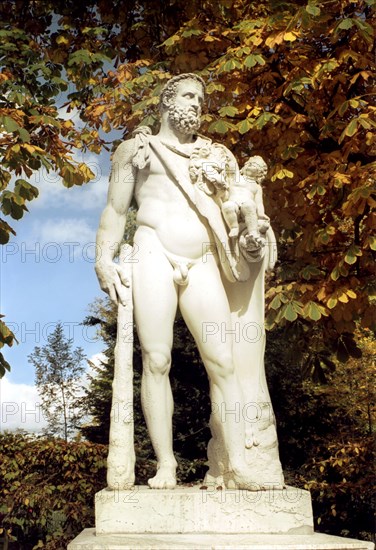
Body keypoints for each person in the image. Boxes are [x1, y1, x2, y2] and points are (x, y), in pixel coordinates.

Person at [95, 73, 279, 490]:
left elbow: (242, 206)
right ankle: (166, 465)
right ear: (167, 100)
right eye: (188, 96)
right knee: (157, 360)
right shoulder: (135, 150)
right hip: (153, 250)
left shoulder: (217, 156)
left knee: (223, 362)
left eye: (201, 98)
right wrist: (103, 259)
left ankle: (237, 464)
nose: (197, 104)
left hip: (203, 260)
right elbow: (115, 209)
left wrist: (255, 232)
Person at [222, 156, 270, 247]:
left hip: (247, 208)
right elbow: (230, 165)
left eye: (255, 165)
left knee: (249, 205)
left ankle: (253, 232)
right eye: (249, 163)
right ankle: (234, 227)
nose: (250, 165)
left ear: (259, 172)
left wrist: (261, 214)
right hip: (233, 203)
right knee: (227, 206)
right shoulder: (235, 177)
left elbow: (259, 203)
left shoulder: (257, 187)